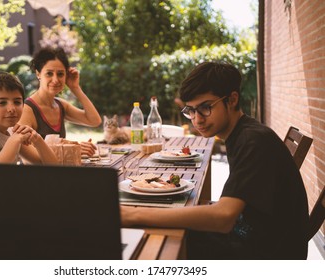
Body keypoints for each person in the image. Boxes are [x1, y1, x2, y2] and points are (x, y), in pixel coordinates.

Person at [121, 61, 309, 259]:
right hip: (253, 239)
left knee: (156, 247)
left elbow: (223, 217)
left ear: (232, 100)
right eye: (191, 110)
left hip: (265, 255)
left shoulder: (253, 141)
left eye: (205, 107)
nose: (197, 119)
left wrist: (133, 215)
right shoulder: (242, 134)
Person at [19, 47, 102, 157]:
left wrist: (75, 88)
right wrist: (72, 150)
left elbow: (94, 121)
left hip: (60, 172)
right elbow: (29, 157)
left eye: (60, 74)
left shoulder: (60, 105)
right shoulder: (27, 110)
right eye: (49, 73)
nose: (55, 80)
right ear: (38, 74)